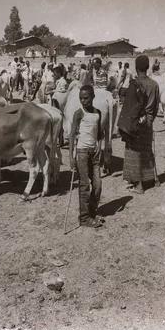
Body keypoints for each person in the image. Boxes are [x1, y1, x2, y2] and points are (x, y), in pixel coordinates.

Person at [119, 55, 160, 194]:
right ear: (148, 67)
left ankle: (139, 185)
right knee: (147, 149)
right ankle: (152, 180)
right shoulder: (154, 84)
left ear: (136, 68)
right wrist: (150, 119)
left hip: (136, 122)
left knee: (134, 151)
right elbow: (156, 106)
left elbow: (129, 105)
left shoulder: (134, 83)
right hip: (148, 120)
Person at [69, 85, 104, 228]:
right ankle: (84, 218)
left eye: (86, 98)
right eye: (81, 98)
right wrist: (71, 156)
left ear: (93, 97)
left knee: (97, 185)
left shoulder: (98, 113)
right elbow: (72, 134)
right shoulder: (79, 113)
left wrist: (100, 147)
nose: (83, 101)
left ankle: (92, 211)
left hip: (94, 152)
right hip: (82, 152)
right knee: (84, 186)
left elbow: (100, 133)